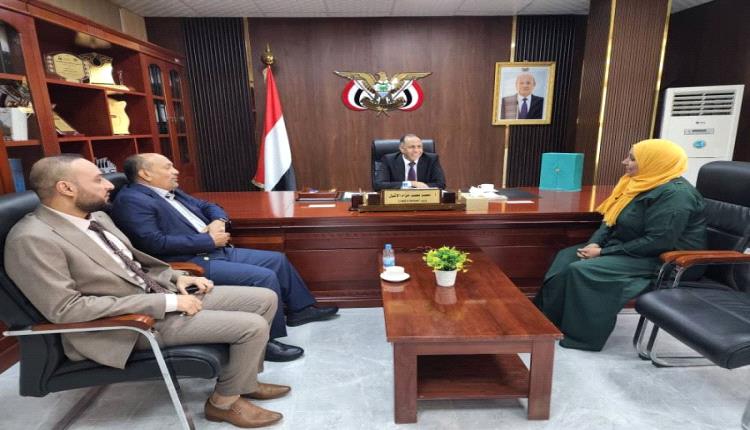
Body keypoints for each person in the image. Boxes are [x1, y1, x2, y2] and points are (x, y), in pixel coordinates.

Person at [4, 155, 287, 428]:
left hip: (154, 295)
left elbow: (134, 263)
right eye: (98, 179)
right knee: (251, 327)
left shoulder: (97, 217)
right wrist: (167, 302)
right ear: (66, 188)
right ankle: (223, 404)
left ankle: (243, 382)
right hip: (125, 326)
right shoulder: (33, 239)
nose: (109, 184)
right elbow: (67, 310)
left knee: (264, 299)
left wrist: (175, 276)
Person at [109, 153, 338, 362]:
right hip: (189, 262)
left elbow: (209, 206)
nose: (175, 171)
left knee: (277, 260)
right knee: (264, 277)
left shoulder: (170, 191)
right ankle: (266, 342)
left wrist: (218, 221)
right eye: (168, 167)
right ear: (145, 174)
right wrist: (208, 241)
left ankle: (300, 310)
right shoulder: (132, 200)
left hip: (214, 251)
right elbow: (153, 243)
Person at [533, 139, 706, 351]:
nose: (625, 162)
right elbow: (610, 220)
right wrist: (594, 243)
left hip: (666, 259)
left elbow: (658, 241)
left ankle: (582, 338)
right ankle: (546, 322)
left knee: (584, 270)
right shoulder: (638, 183)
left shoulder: (676, 195)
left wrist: (603, 252)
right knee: (567, 257)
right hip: (631, 248)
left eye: (632, 158)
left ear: (653, 162)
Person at [373, 134, 446, 191]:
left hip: (424, 199)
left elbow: (441, 184)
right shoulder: (389, 160)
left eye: (419, 147)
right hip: (398, 200)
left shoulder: (431, 159)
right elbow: (379, 185)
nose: (416, 150)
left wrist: (420, 187)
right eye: (412, 147)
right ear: (402, 149)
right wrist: (411, 183)